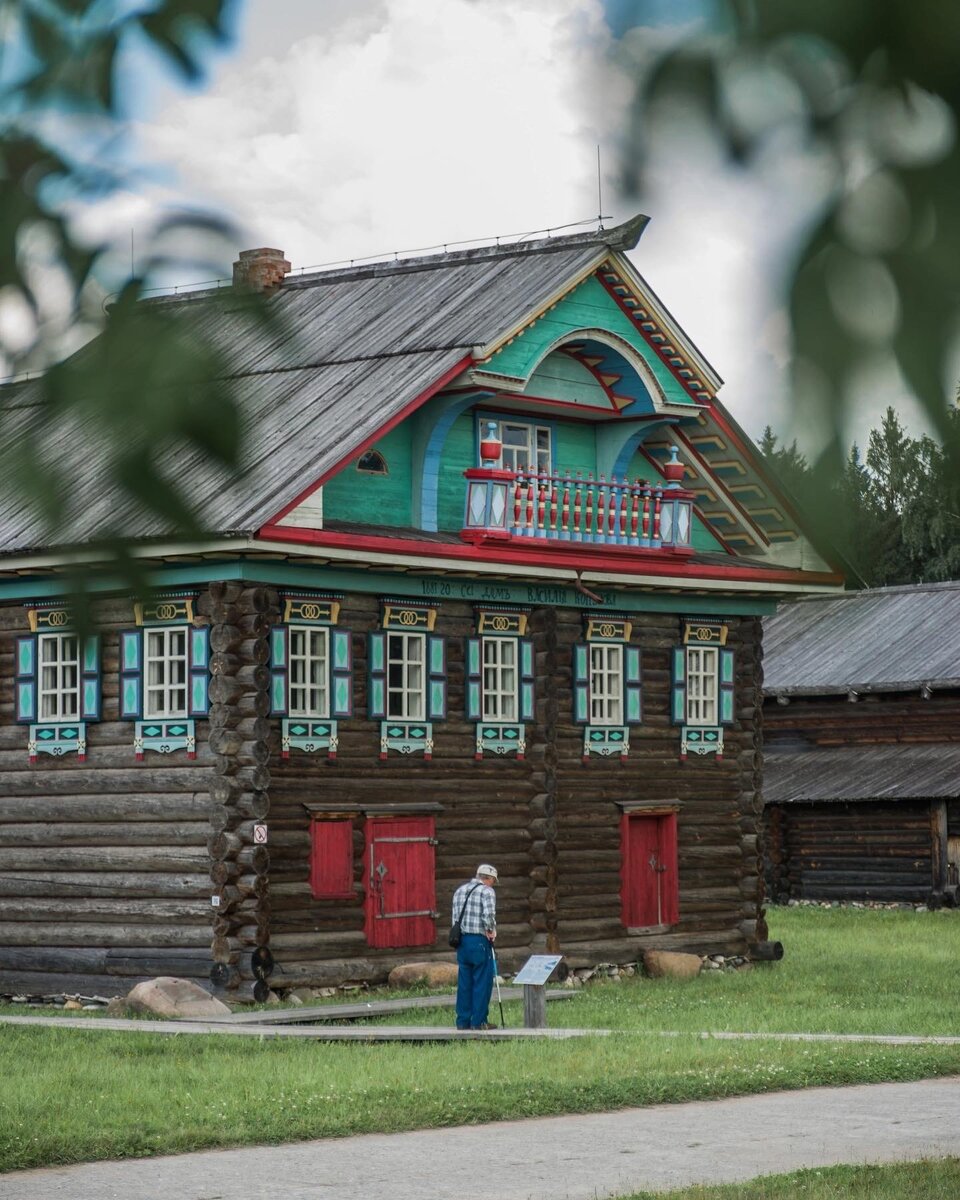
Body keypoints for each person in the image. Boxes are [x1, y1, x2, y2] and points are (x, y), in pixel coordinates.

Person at [452, 863, 498, 1030]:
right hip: (479, 940)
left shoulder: (459, 890)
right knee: (482, 981)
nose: (493, 884)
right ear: (489, 878)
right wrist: (491, 931)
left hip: (462, 941)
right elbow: (488, 915)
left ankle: (462, 1021)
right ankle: (478, 1022)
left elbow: (455, 918)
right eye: (493, 880)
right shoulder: (487, 891)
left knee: (465, 982)